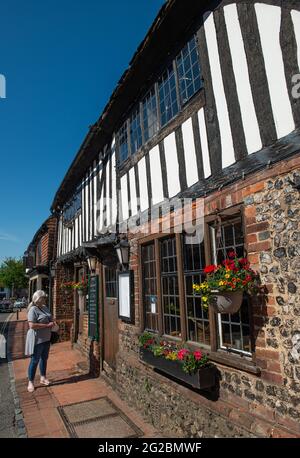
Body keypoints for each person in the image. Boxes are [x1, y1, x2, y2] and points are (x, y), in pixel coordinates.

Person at [25, 290, 55, 393]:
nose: (45, 299)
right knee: (34, 360)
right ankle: (31, 382)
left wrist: (52, 322)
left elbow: (50, 319)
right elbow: (32, 325)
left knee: (44, 359)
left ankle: (43, 377)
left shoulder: (45, 308)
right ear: (38, 299)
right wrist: (47, 325)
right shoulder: (33, 310)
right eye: (43, 298)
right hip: (37, 339)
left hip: (46, 338)